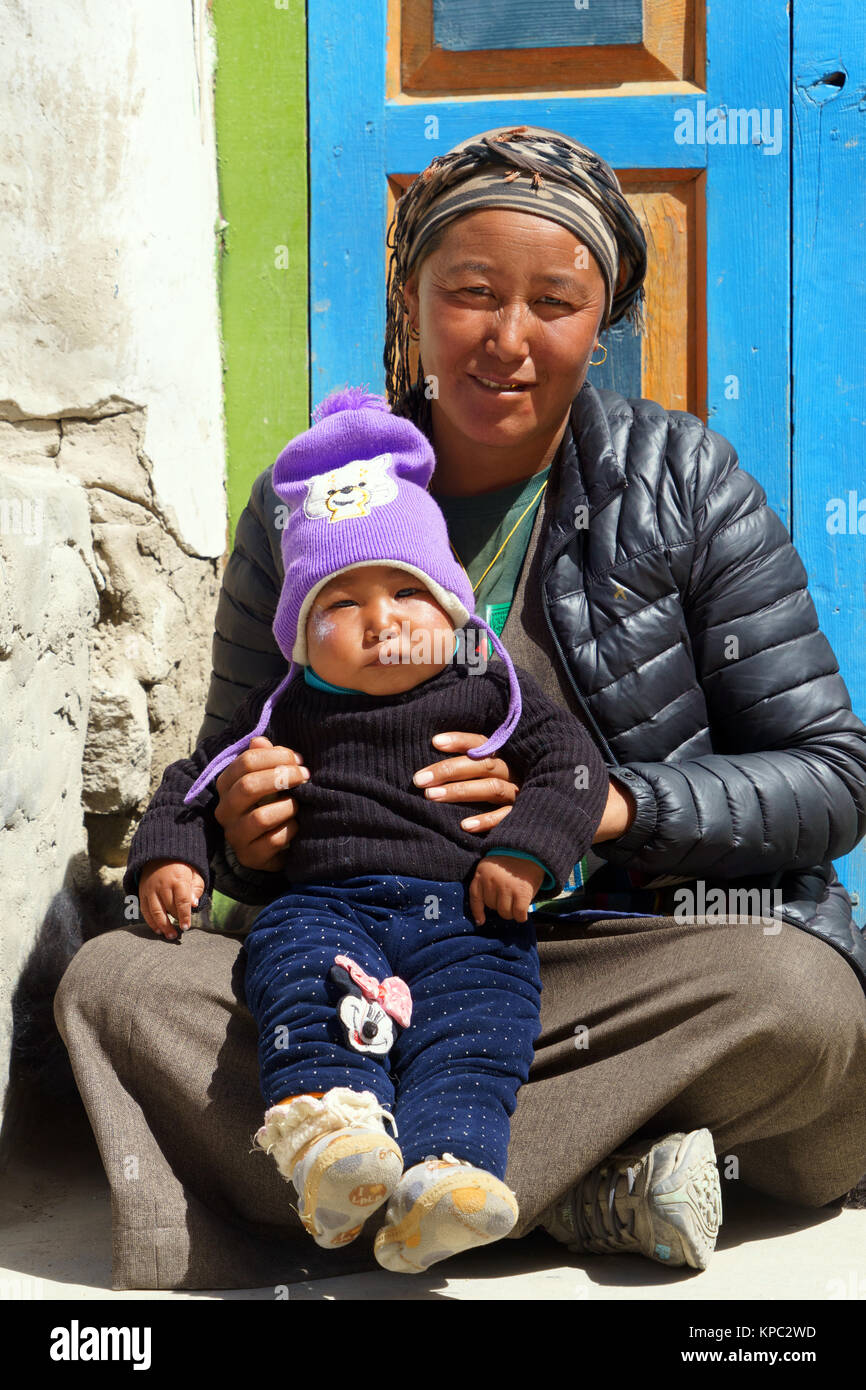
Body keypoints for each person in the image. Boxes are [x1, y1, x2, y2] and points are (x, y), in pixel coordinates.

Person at [55, 125, 866, 1292]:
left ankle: (400, 1174)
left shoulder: (684, 482)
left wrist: (609, 811)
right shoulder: (311, 505)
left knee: (796, 996)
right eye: (470, 294)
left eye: (554, 302)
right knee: (116, 987)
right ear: (411, 297)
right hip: (357, 964)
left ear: (607, 319)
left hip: (610, 962)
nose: (505, 340)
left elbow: (831, 775)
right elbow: (228, 755)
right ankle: (586, 1183)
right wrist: (239, 833)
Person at [120, 386, 609, 1273]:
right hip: (327, 911)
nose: (382, 621)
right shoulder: (291, 708)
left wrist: (525, 850)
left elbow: (574, 767)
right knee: (295, 984)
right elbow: (194, 783)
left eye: (405, 593)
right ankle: (334, 1140)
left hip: (468, 919)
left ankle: (446, 1180)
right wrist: (171, 858)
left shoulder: (491, 687)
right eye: (341, 605)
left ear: (453, 607)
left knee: (483, 1031)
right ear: (303, 639)